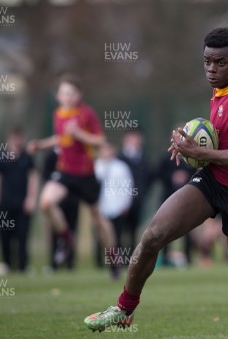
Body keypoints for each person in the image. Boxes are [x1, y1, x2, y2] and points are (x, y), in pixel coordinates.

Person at [84, 28, 228, 332]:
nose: (211, 69)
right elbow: (220, 139)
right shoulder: (221, 87)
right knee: (152, 237)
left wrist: (206, 151)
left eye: (220, 63)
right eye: (206, 61)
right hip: (213, 181)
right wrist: (190, 149)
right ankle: (123, 309)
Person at [28, 74, 117, 277]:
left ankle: (113, 258)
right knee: (46, 203)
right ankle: (66, 238)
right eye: (63, 93)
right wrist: (40, 145)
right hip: (65, 172)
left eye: (70, 93)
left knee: (98, 220)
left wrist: (79, 134)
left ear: (79, 95)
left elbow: (100, 140)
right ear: (58, 96)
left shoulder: (87, 114)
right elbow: (60, 138)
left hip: (86, 175)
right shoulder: (58, 114)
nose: (66, 96)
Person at [0, 128, 39, 272]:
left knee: (23, 236)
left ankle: (23, 266)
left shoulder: (27, 157)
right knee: (5, 236)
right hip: (5, 203)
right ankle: (7, 264)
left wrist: (31, 199)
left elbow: (33, 178)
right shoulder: (0, 157)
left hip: (22, 203)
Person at [94, 141, 134, 269]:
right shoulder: (96, 166)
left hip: (117, 208)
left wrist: (125, 204)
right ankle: (101, 263)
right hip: (101, 209)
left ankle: (116, 264)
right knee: (101, 238)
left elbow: (128, 186)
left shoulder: (121, 167)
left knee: (116, 237)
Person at [154, 147, 196, 266]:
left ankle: (188, 257)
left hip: (187, 199)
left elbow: (197, 174)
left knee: (187, 229)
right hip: (168, 199)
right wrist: (172, 177)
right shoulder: (166, 158)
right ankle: (166, 258)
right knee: (166, 229)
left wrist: (186, 177)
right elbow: (158, 174)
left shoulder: (192, 158)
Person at [118, 130, 154, 255]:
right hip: (121, 201)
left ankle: (131, 258)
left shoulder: (144, 159)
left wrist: (142, 193)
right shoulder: (119, 159)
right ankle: (117, 259)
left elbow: (149, 178)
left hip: (137, 200)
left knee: (134, 230)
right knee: (119, 231)